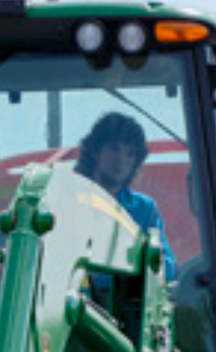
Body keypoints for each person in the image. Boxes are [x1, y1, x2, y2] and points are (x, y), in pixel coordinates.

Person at [75, 112, 175, 279]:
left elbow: (167, 268)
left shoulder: (144, 209)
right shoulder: (70, 201)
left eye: (130, 153)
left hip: (128, 302)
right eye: (114, 149)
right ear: (95, 152)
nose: (121, 159)